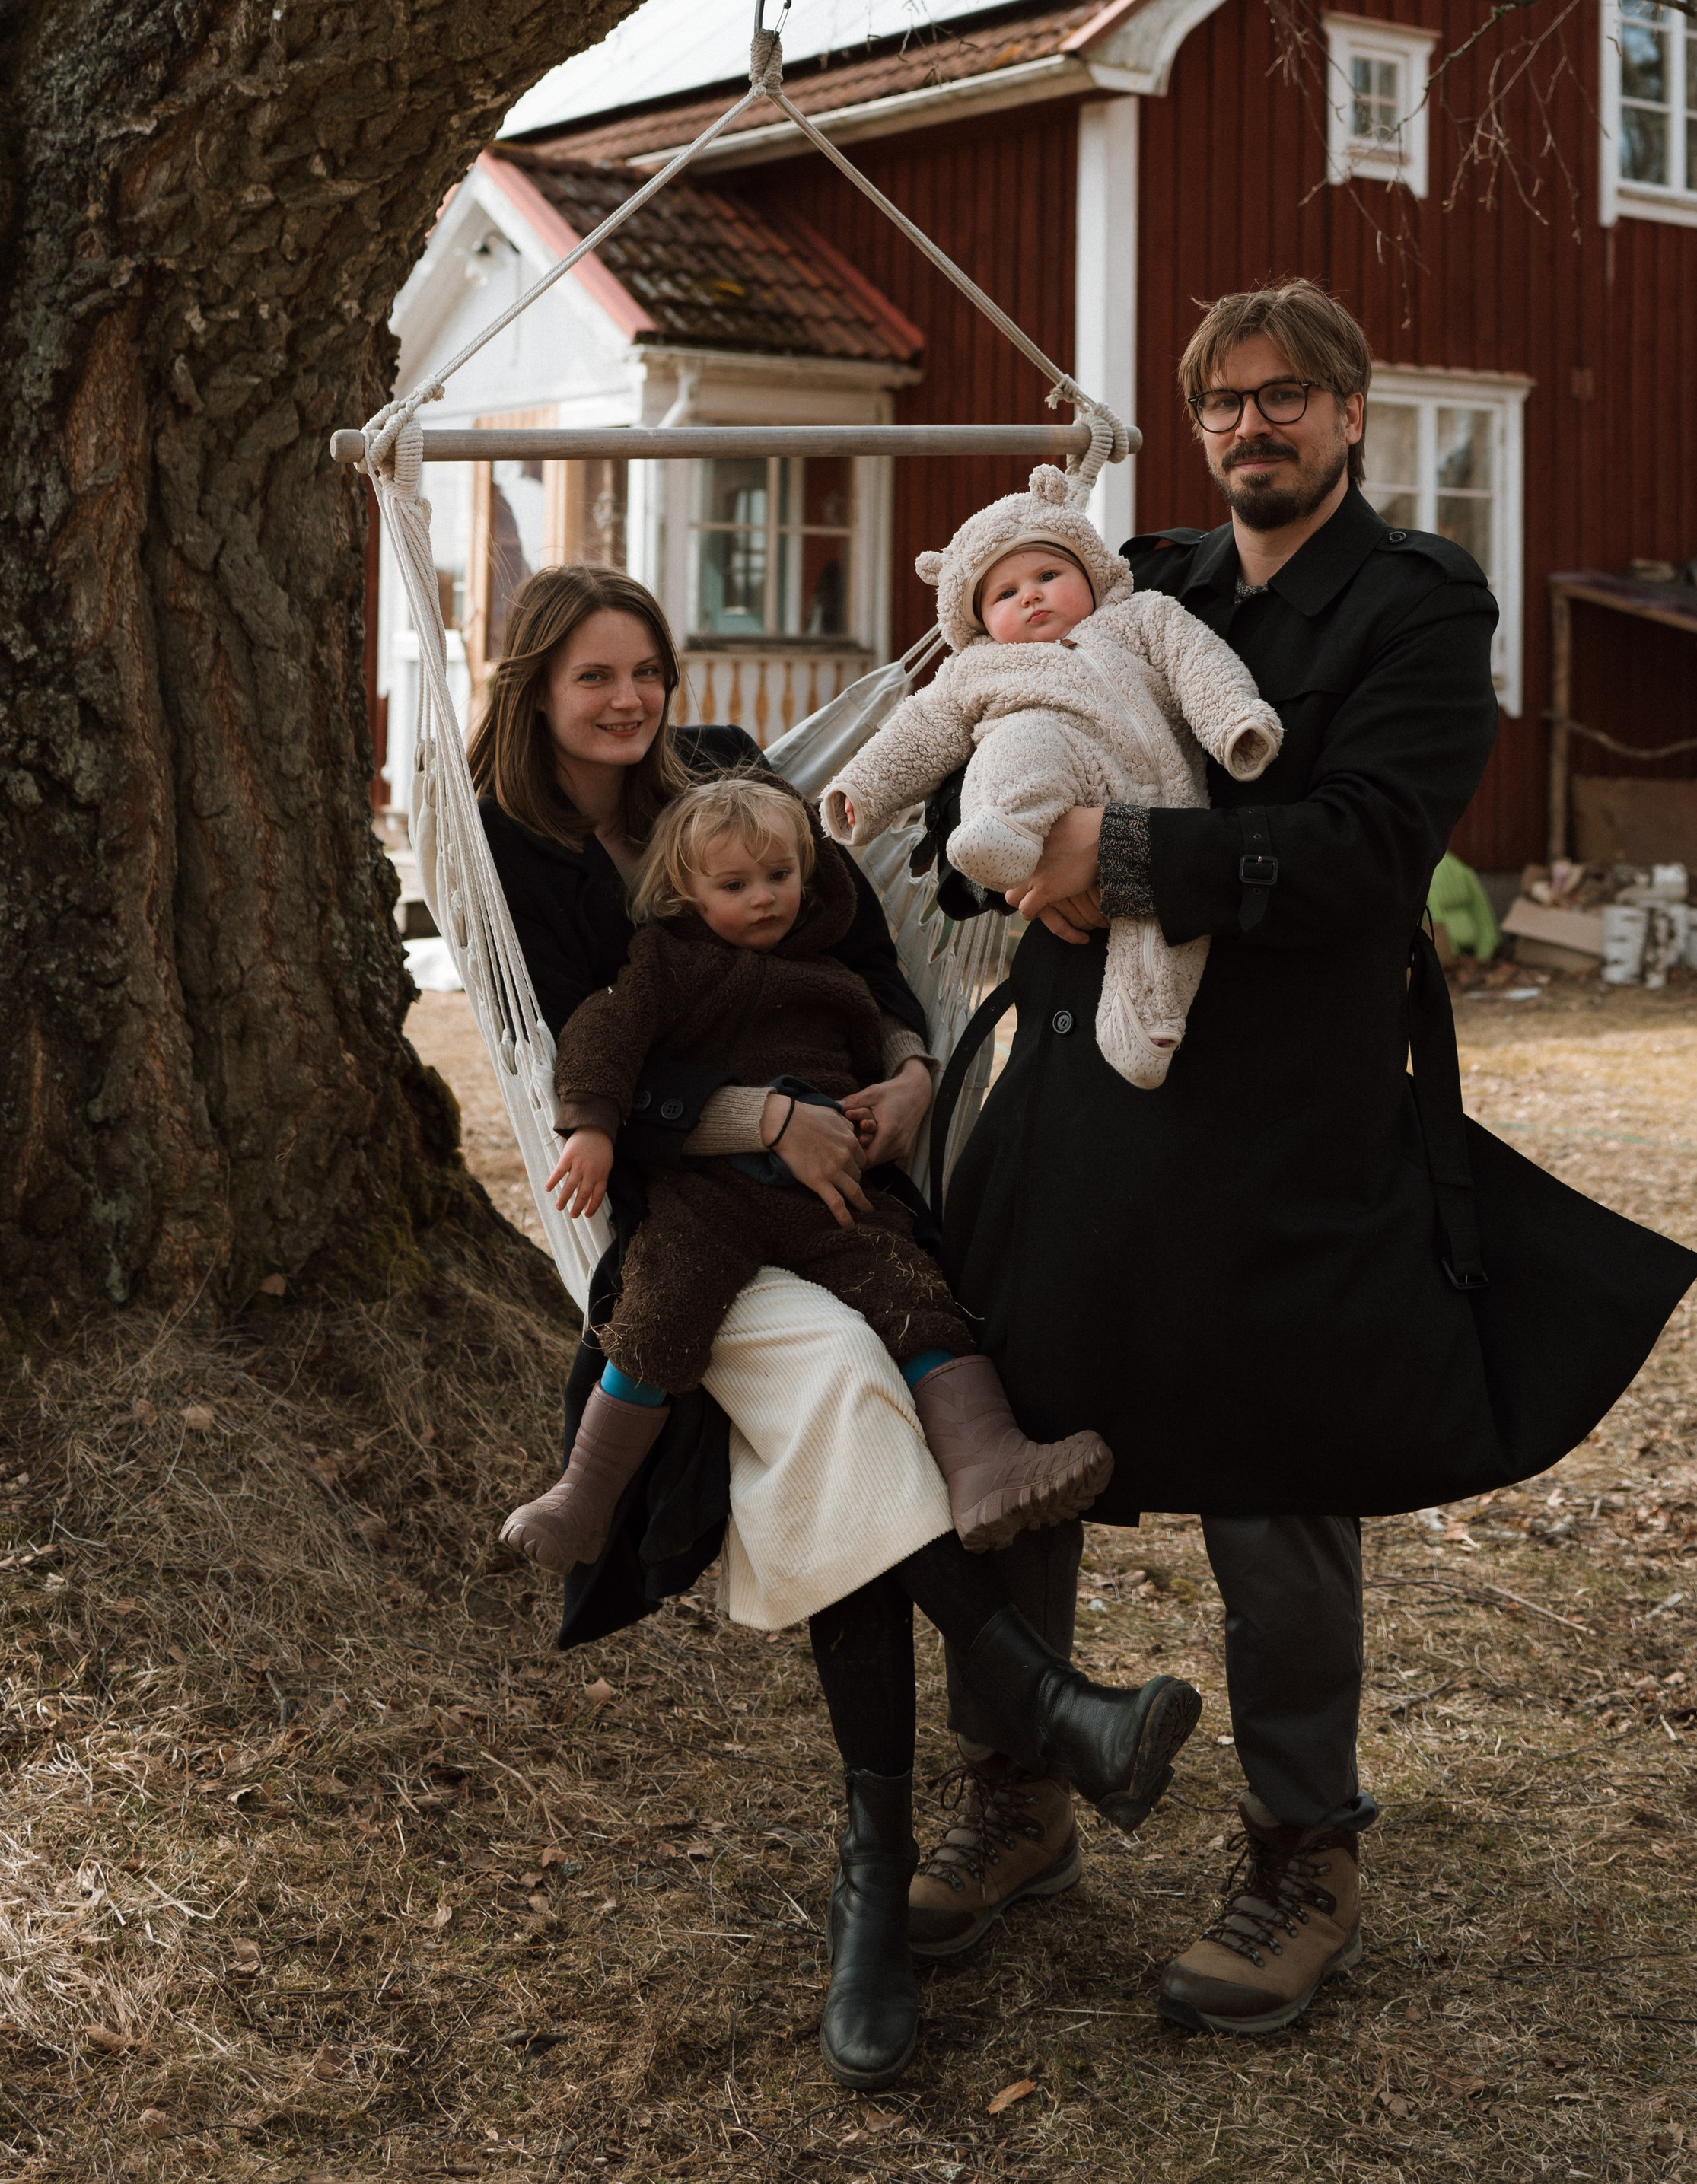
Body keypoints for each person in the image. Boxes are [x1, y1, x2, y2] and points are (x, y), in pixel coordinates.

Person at [915, 284, 1697, 2033]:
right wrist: (989, 835)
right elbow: (979, 729)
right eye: (1220, 405)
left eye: (1282, 399)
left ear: (1351, 415)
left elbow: (1358, 844)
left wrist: (1109, 853)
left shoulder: (1416, 606)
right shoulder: (1141, 576)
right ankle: (1018, 1784)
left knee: (1276, 1480)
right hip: (1074, 1090)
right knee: (1007, 1444)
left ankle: (1299, 1847)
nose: (1247, 429)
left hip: (1284, 1105)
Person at [470, 565, 1202, 2086]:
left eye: (642, 671)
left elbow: (871, 967)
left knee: (863, 1385)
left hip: (839, 1190)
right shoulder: (512, 851)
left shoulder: (739, 783)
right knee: (841, 1401)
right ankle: (1026, 1718)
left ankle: (893, 1858)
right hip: (670, 1217)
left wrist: (914, 1075)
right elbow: (572, 1053)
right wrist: (751, 1114)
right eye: (591, 677)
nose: (626, 701)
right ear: (537, 691)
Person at [498, 769, 1110, 1566]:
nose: (763, 897)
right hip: (708, 1196)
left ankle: (985, 1460)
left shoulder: (830, 972)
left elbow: (881, 1035)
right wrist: (591, 1127)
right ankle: (583, 1495)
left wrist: (897, 1086)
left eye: (780, 876)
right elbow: (601, 1035)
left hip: (832, 1192)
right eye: (735, 884)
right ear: (687, 891)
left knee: (910, 1289)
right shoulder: (665, 964)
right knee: (662, 1301)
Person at [822, 460, 1281, 1086]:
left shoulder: (1143, 616)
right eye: (1004, 594)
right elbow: (916, 733)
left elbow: (1200, 662)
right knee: (1020, 744)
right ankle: (1003, 832)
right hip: (1050, 780)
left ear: (1090, 573)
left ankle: (1149, 1030)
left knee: (1165, 925)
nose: (1030, 595)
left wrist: (1235, 722)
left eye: (1047, 574)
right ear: (979, 620)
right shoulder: (976, 671)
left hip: (1169, 808)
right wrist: (863, 789)